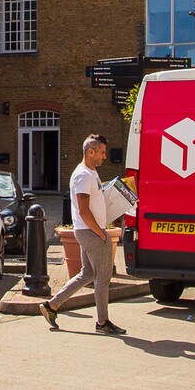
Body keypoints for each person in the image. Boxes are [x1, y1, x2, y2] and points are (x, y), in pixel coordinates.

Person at [40, 134, 125, 336]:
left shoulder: (91, 172)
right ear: (90, 152)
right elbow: (83, 210)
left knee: (87, 274)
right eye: (102, 152)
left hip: (88, 232)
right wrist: (101, 234)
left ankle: (51, 305)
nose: (105, 156)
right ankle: (102, 322)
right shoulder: (83, 176)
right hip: (90, 232)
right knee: (103, 278)